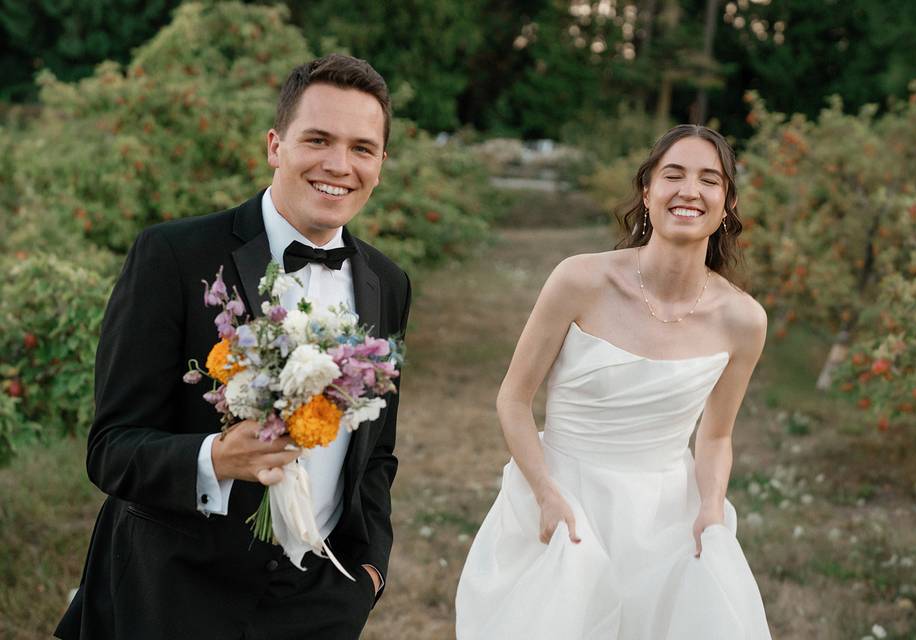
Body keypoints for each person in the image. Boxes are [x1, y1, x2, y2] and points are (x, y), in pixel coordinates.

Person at [55, 54, 411, 640]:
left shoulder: (387, 282)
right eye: (317, 139)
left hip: (319, 602)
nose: (338, 165)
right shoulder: (173, 256)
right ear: (276, 145)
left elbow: (377, 453)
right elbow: (112, 448)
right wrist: (215, 458)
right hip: (171, 599)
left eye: (362, 148)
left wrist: (368, 572)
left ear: (380, 162)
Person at [456, 125, 772, 639]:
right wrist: (545, 494)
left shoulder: (744, 320)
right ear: (647, 192)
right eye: (674, 174)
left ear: (727, 203)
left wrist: (711, 508)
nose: (690, 190)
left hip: (667, 518)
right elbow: (514, 399)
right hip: (564, 495)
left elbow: (716, 436)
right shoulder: (580, 280)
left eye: (709, 179)